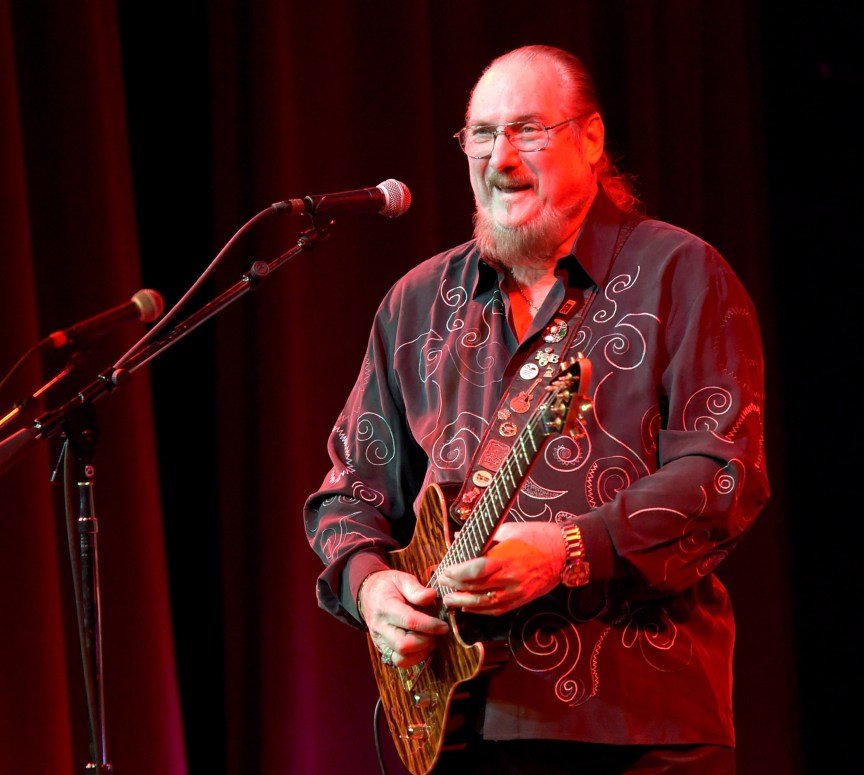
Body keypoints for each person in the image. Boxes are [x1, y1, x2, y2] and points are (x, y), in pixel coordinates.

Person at [304, 44, 768, 774]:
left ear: (591, 139)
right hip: (457, 730)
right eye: (482, 134)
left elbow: (723, 472)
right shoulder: (416, 304)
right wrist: (371, 587)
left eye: (528, 130)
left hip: (636, 724)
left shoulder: (680, 273)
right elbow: (348, 492)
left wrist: (570, 549)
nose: (501, 158)